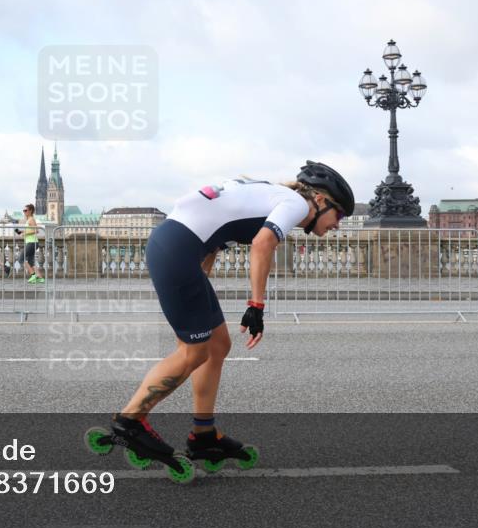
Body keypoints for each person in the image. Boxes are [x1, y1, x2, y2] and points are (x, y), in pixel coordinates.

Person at [106, 161, 354, 471]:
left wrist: (197, 283)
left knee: (217, 345)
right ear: (319, 200)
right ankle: (129, 422)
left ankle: (203, 433)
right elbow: (264, 244)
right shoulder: (293, 203)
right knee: (193, 352)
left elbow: (214, 234)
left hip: (177, 248)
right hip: (177, 251)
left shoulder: (268, 193)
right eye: (339, 215)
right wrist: (257, 306)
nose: (338, 224)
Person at [19, 204, 44, 284]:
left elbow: (36, 230)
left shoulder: (31, 219)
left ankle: (33, 275)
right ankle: (40, 278)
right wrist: (21, 232)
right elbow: (30, 230)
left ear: (30, 211)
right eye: (23, 210)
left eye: (25, 210)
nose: (24, 212)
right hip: (31, 242)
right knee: (31, 262)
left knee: (21, 259)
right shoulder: (28, 220)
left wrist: (25, 233)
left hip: (32, 242)